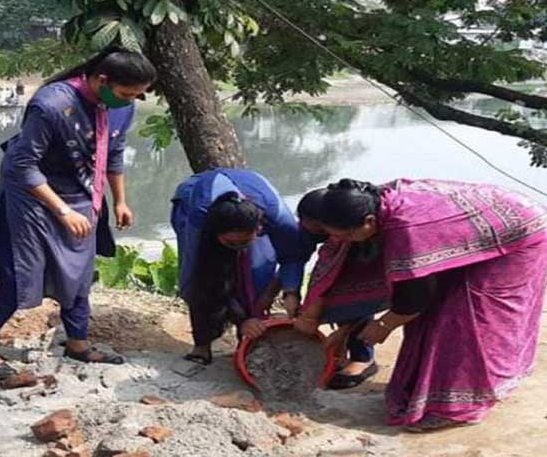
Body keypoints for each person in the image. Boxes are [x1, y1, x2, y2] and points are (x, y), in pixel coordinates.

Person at [0, 47, 156, 380]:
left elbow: (114, 151)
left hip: (80, 191)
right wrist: (62, 212)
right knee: (20, 272)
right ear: (101, 80)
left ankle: (77, 344)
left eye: (138, 95)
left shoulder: (122, 106)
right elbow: (23, 165)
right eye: (126, 93)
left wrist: (120, 200)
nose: (131, 100)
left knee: (80, 271)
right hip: (31, 194)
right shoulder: (51, 105)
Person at [296, 178, 547, 431]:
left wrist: (383, 326)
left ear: (369, 222)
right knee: (435, 314)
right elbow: (353, 272)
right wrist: (343, 329)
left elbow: (414, 299)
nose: (343, 240)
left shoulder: (407, 229)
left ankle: (459, 405)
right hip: (475, 229)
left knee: (468, 316)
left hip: (518, 234)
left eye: (347, 235)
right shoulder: (370, 204)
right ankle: (429, 388)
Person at [171, 169, 312, 365]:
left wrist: (290, 292)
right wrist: (242, 319)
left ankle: (246, 342)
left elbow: (293, 256)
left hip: (253, 199)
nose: (239, 248)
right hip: (192, 198)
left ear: (259, 229)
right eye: (231, 243)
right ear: (215, 234)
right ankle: (202, 345)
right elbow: (202, 279)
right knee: (202, 285)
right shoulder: (199, 220)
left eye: (245, 241)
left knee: (259, 271)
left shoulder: (276, 215)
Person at [296, 189, 380, 389]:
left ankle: (363, 358)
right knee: (333, 301)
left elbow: (364, 293)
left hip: (360, 274)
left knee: (356, 303)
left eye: (319, 231)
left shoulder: (356, 238)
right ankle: (340, 350)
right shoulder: (325, 238)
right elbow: (301, 262)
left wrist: (343, 331)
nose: (314, 234)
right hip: (337, 269)